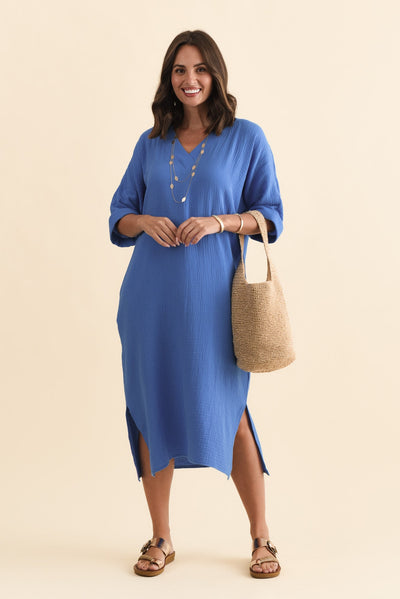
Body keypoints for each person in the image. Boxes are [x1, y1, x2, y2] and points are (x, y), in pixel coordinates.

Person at [109, 30, 284, 579]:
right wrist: (145, 221)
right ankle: (160, 537)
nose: (190, 80)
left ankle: (262, 538)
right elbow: (118, 216)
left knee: (231, 413)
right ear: (169, 78)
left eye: (201, 69)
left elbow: (271, 215)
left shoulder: (246, 138)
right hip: (150, 302)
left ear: (216, 75)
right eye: (180, 70)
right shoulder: (150, 143)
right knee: (150, 410)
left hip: (213, 304)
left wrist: (219, 222)